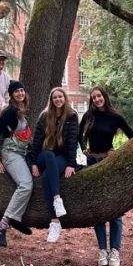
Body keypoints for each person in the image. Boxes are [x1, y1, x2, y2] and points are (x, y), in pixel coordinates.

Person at [79, 86, 133, 266]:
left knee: (115, 208)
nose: (96, 99)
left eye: (99, 96)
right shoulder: (88, 116)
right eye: (93, 97)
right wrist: (84, 150)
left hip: (109, 163)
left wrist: (118, 154)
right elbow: (79, 135)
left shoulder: (115, 117)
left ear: (104, 97)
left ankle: (115, 251)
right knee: (98, 208)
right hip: (92, 164)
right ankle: (102, 250)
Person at [27, 87, 79, 243]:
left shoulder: (72, 116)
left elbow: (72, 142)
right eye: (55, 97)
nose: (58, 100)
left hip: (61, 157)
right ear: (51, 100)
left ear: (65, 99)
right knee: (48, 155)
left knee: (45, 178)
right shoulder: (44, 116)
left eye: (60, 97)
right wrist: (34, 163)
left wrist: (71, 164)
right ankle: (57, 198)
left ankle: (55, 222)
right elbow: (36, 142)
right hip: (45, 156)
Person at [0, 80, 34, 246]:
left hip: (21, 153)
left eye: (22, 90)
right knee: (25, 184)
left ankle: (18, 218)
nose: (20, 93)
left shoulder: (21, 111)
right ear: (12, 94)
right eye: (16, 91)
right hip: (10, 153)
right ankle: (2, 225)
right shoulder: (9, 112)